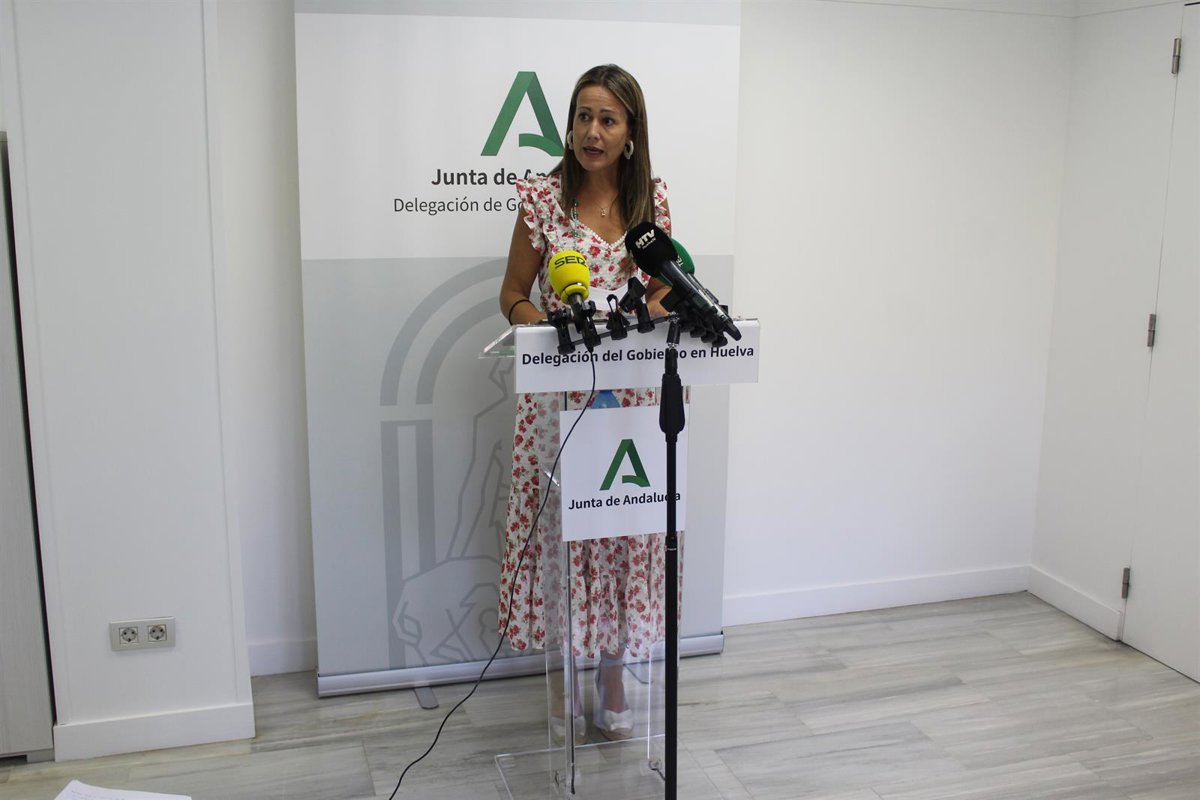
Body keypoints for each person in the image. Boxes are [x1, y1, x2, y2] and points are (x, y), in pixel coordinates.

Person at [497, 64, 675, 742]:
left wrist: (651, 307)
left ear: (631, 133)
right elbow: (512, 293)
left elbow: (664, 286)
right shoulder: (541, 201)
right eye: (582, 117)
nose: (592, 132)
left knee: (620, 529)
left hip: (631, 396)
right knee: (564, 533)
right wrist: (542, 325)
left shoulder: (651, 203)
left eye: (607, 119)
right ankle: (564, 672)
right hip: (560, 396)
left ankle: (612, 674)